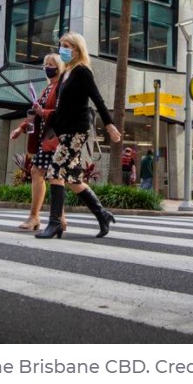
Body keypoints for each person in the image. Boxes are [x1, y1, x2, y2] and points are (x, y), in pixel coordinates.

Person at [36, 32, 122, 239]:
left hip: (77, 130)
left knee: (55, 171)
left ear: (77, 49)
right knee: (73, 179)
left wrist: (109, 125)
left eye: (67, 46)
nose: (62, 50)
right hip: (65, 130)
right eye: (61, 45)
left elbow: (97, 99)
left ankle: (55, 223)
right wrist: (53, 130)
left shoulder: (82, 71)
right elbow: (62, 108)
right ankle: (102, 214)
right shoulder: (66, 73)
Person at [10, 53, 66, 231]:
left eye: (51, 64)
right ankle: (58, 218)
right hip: (48, 139)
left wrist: (44, 112)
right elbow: (36, 114)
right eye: (45, 64)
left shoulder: (61, 87)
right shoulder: (48, 88)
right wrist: (21, 128)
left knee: (44, 173)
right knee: (53, 175)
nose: (47, 67)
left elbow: (62, 112)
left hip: (55, 139)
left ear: (59, 67)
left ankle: (36, 217)